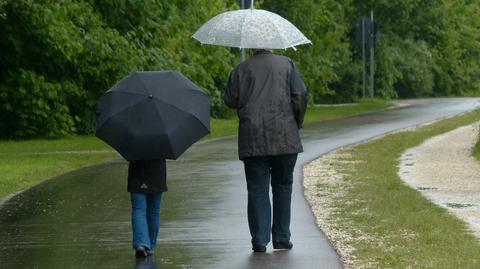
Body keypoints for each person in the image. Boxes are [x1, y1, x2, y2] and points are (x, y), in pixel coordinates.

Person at [224, 49, 307, 252]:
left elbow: (230, 100)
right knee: (283, 186)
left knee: (257, 188)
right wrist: (297, 121)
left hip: (252, 137)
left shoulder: (240, 70)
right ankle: (281, 237)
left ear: (252, 47)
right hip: (285, 135)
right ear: (272, 45)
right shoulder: (287, 65)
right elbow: (300, 95)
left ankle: (260, 239)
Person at [128, 158, 167, 258]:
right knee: (154, 211)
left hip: (137, 171)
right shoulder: (161, 141)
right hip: (157, 171)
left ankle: (141, 244)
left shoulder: (135, 142)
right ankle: (150, 246)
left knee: (138, 209)